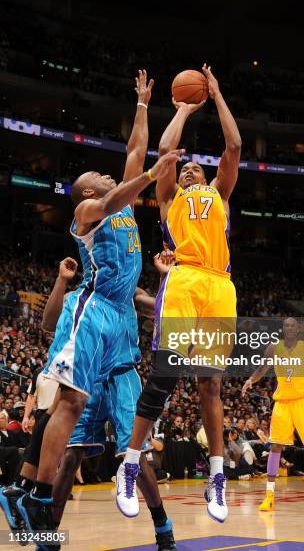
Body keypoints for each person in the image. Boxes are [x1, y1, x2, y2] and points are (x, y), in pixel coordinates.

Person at [12, 70, 184, 535]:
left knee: (114, 432)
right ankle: (36, 500)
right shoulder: (87, 211)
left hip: (123, 322)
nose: (109, 175)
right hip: (92, 313)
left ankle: (158, 524)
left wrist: (144, 104)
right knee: (68, 411)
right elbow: (129, 178)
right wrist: (151, 174)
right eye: (99, 176)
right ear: (88, 190)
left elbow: (133, 149)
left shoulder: (124, 204)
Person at [117, 64, 242, 523]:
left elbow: (234, 146)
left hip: (219, 285)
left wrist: (219, 94)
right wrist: (186, 109)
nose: (190, 166)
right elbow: (166, 149)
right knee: (165, 376)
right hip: (186, 278)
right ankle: (129, 464)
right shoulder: (170, 199)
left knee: (210, 383)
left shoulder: (220, 195)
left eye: (196, 166)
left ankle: (216, 476)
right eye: (186, 167)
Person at [242, 317, 304, 514]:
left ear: (298, 329)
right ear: (283, 329)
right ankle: (269, 496)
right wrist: (250, 380)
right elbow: (262, 369)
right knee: (275, 446)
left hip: (302, 401)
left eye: (292, 325)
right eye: (285, 325)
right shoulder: (273, 348)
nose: (289, 327)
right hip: (281, 402)